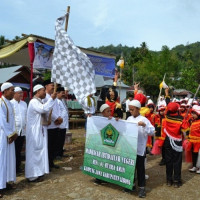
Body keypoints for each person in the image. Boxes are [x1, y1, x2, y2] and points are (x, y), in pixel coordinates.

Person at [25, 84, 57, 182]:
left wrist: (52, 99)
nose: (44, 92)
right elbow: (43, 109)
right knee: (34, 152)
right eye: (43, 90)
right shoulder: (33, 101)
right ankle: (32, 175)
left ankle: (38, 173)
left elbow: (46, 109)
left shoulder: (39, 101)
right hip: (34, 132)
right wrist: (51, 99)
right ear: (38, 91)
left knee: (40, 152)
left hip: (40, 130)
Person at [127, 100, 155, 198]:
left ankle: (142, 188)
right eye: (129, 109)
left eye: (132, 109)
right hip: (130, 148)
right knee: (131, 167)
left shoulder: (144, 119)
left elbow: (152, 131)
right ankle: (132, 185)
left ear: (138, 109)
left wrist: (144, 125)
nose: (130, 111)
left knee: (140, 169)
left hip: (140, 148)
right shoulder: (129, 118)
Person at [159, 102, 187, 188]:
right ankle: (176, 180)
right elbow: (185, 130)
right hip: (177, 141)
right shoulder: (181, 119)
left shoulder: (166, 117)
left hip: (167, 140)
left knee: (168, 160)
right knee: (177, 161)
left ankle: (169, 180)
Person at [0, 82, 17, 198]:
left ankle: (5, 182)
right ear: (5, 91)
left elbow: (12, 120)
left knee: (8, 159)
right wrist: (10, 134)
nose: (14, 92)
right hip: (2, 135)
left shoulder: (10, 104)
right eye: (12, 90)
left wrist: (14, 133)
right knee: (1, 161)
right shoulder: (1, 103)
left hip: (9, 136)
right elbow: (2, 121)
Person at [43, 80, 63, 169]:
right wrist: (56, 118)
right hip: (49, 125)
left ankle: (51, 162)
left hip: (56, 124)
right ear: (46, 86)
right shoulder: (45, 97)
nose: (53, 87)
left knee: (54, 145)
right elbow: (47, 110)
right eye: (52, 85)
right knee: (49, 146)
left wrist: (60, 118)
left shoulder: (54, 97)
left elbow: (58, 110)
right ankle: (47, 164)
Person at [11, 87, 27, 174]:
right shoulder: (11, 103)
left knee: (19, 149)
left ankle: (17, 167)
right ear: (14, 94)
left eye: (22, 93)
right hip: (14, 131)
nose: (21, 95)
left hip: (22, 130)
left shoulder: (24, 104)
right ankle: (12, 168)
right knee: (12, 151)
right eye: (19, 93)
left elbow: (26, 116)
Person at [185, 105, 200, 173]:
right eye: (192, 113)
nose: (192, 115)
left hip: (198, 141)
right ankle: (194, 166)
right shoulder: (192, 121)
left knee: (198, 155)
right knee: (193, 154)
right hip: (192, 141)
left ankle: (199, 167)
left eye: (194, 114)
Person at [56, 87, 69, 158]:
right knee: (59, 140)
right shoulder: (56, 101)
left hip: (64, 124)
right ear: (57, 93)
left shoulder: (62, 100)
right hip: (59, 124)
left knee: (62, 139)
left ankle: (61, 152)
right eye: (62, 93)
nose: (63, 94)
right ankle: (57, 154)